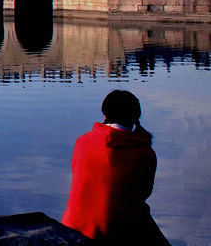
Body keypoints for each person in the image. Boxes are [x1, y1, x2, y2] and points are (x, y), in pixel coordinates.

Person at [61, 90, 170, 244]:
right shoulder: (145, 152)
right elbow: (144, 193)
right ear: (135, 119)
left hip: (73, 228)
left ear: (104, 114)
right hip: (116, 233)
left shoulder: (82, 142)